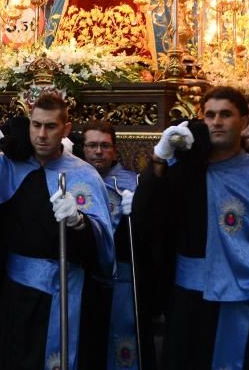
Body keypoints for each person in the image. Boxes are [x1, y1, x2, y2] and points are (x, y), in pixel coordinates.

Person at [135, 86, 249, 369]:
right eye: (209, 115)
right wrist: (160, 158)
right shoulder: (184, 171)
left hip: (245, 293)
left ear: (244, 120)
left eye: (225, 114)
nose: (216, 122)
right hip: (189, 300)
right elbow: (146, 217)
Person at [0, 92, 115, 370]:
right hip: (18, 292)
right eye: (36, 125)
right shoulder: (7, 165)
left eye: (50, 126)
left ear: (65, 129)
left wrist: (81, 224)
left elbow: (103, 247)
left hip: (68, 289)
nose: (41, 134)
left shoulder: (84, 175)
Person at [81, 120, 153, 370]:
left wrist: (138, 212)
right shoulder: (73, 178)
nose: (98, 151)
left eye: (104, 145)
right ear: (83, 149)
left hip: (122, 277)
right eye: (92, 145)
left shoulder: (132, 182)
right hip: (84, 277)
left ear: (114, 150)